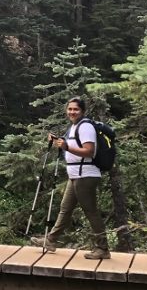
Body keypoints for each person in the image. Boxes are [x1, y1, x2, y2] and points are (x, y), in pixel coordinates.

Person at [31, 97, 111, 259]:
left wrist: (66, 146)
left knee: (91, 211)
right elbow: (71, 146)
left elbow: (89, 151)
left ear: (83, 111)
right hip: (75, 175)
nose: (72, 112)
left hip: (86, 175)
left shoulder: (86, 127)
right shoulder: (74, 127)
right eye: (70, 109)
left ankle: (102, 248)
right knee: (65, 208)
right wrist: (58, 142)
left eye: (76, 109)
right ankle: (51, 240)